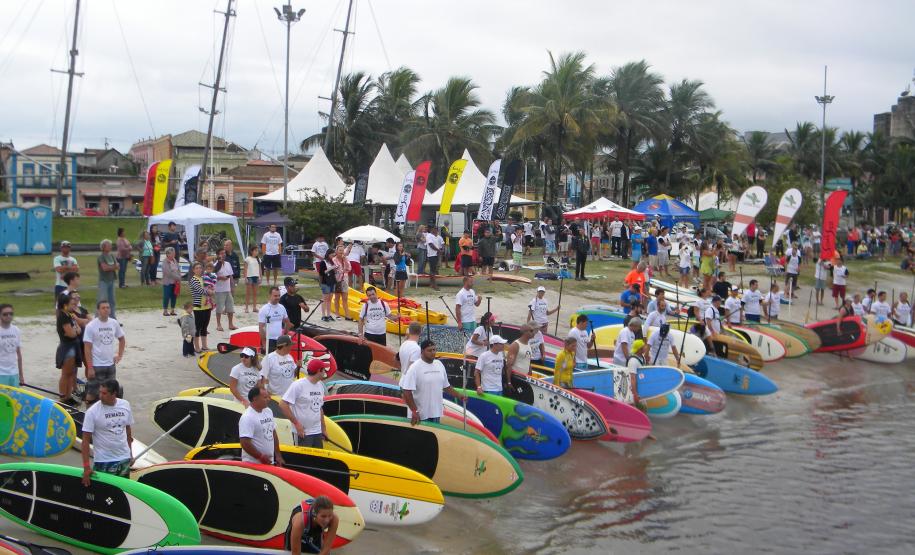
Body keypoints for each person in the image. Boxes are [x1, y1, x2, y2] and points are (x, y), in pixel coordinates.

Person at [80, 379, 133, 485]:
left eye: (104, 393)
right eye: (100, 392)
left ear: (114, 393)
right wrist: (86, 467)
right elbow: (85, 441)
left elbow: (128, 430)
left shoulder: (125, 405)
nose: (100, 395)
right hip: (104, 461)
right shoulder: (92, 412)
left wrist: (130, 453)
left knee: (123, 492)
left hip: (124, 459)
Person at [400, 340, 466, 425]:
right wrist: (414, 411)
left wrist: (459, 395)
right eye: (429, 350)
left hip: (436, 414)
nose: (433, 352)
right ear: (422, 351)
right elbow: (406, 391)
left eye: (434, 350)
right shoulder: (414, 368)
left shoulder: (439, 364)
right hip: (420, 416)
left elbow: (446, 387)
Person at [83, 300, 126, 404]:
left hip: (110, 364)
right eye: (103, 308)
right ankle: (87, 414)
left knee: (110, 392)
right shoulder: (91, 326)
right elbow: (87, 348)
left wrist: (119, 355)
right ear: (98, 310)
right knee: (92, 393)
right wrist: (90, 367)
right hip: (97, 365)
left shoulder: (113, 323)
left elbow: (122, 339)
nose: (106, 310)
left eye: (108, 307)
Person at [281, 358, 329, 448]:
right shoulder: (298, 385)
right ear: (319, 371)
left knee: (318, 460)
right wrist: (297, 424)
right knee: (304, 460)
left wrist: (323, 429)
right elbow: (283, 404)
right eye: (324, 370)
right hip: (303, 433)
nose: (324, 372)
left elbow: (320, 408)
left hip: (317, 432)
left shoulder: (320, 386)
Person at [239, 386, 284, 466]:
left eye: (268, 397)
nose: (269, 399)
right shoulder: (247, 417)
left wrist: (278, 455)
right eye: (265, 397)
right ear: (255, 399)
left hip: (269, 462)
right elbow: (245, 442)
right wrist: (260, 456)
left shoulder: (268, 411)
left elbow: (273, 433)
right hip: (253, 464)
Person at [56, 294, 82, 404]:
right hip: (67, 348)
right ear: (65, 305)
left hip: (73, 346)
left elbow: (78, 330)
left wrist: (75, 331)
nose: (74, 305)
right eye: (71, 303)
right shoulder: (63, 316)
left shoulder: (69, 315)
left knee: (71, 373)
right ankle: (63, 397)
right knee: (66, 374)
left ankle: (68, 395)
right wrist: (75, 331)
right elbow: (71, 333)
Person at [189, 262, 212, 353]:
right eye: (197, 268)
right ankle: (197, 347)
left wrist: (211, 289)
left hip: (207, 306)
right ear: (193, 270)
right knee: (197, 328)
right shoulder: (193, 280)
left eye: (200, 268)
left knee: (205, 327)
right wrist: (210, 291)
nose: (199, 269)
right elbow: (200, 290)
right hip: (198, 307)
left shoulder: (203, 278)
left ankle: (205, 346)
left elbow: (210, 285)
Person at [259, 287, 291, 353]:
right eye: (275, 296)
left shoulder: (282, 308)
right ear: (270, 295)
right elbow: (261, 327)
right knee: (268, 362)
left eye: (279, 295)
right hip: (269, 340)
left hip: (280, 340)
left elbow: (287, 322)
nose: (277, 298)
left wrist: (285, 334)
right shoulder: (264, 309)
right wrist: (264, 342)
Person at [0, 304, 24, 387]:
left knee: (14, 399)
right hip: (1, 374)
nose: (8, 316)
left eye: (11, 313)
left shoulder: (16, 330)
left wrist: (21, 375)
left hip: (14, 373)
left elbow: (19, 355)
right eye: (5, 314)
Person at [214, 248, 237, 332]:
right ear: (218, 255)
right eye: (221, 253)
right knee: (219, 308)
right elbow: (212, 276)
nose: (223, 255)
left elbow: (230, 276)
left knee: (230, 307)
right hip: (219, 290)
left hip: (228, 289)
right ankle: (218, 324)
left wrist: (233, 286)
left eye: (224, 253)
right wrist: (219, 277)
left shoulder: (228, 264)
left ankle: (230, 324)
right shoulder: (215, 264)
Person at [96, 239, 119, 319]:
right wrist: (113, 267)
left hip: (111, 280)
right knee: (101, 300)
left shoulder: (112, 255)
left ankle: (113, 318)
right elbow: (104, 268)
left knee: (112, 301)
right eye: (108, 245)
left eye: (110, 245)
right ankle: (97, 318)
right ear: (103, 247)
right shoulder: (101, 257)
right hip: (104, 281)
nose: (110, 246)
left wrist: (111, 267)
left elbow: (117, 266)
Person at [332, 246, 352, 319]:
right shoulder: (333, 260)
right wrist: (342, 270)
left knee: (345, 298)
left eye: (342, 250)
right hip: (337, 280)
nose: (341, 252)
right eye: (340, 250)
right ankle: (337, 313)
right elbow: (334, 270)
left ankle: (347, 314)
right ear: (336, 251)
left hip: (344, 279)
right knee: (337, 297)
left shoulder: (345, 259)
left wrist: (345, 260)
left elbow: (349, 268)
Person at [317, 252, 336, 322]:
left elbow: (334, 272)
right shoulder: (323, 262)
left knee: (330, 299)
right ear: (328, 255)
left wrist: (335, 269)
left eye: (333, 255)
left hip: (332, 281)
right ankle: (323, 315)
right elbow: (321, 272)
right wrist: (331, 268)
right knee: (325, 299)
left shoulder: (332, 262)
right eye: (332, 254)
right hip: (325, 282)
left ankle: (328, 314)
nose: (333, 256)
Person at [243, 245, 262, 313]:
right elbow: (245, 269)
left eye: (257, 251)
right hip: (249, 277)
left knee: (255, 293)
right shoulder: (247, 259)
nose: (257, 252)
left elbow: (260, 269)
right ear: (251, 251)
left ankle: (254, 307)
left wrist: (260, 277)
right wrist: (245, 278)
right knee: (248, 293)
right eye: (255, 250)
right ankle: (246, 307)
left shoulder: (258, 259)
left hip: (256, 277)